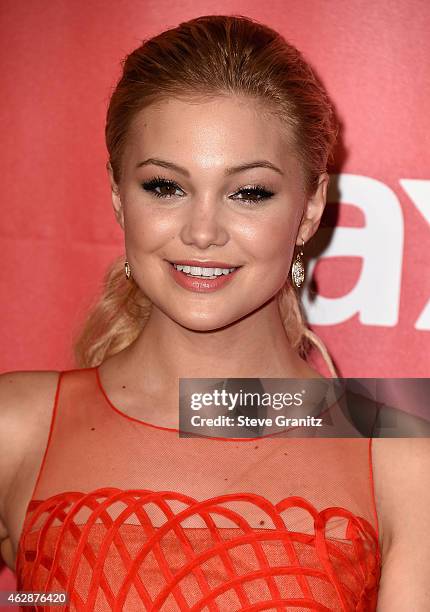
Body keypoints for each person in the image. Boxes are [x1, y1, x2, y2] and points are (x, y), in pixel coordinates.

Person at [0, 14, 429, 611]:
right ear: (119, 197)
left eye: (249, 192)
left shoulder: (402, 460)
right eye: (165, 187)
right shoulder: (14, 427)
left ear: (308, 209)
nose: (202, 232)